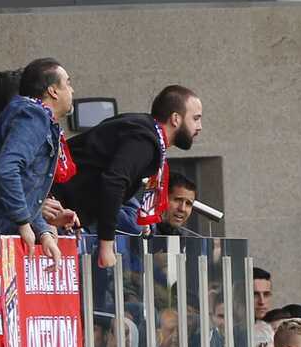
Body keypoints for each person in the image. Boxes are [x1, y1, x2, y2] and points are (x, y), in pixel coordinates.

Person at [0, 56, 77, 247]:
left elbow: (26, 191)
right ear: (53, 91)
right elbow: (6, 170)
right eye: (67, 83)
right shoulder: (34, 116)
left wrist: (43, 231)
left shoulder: (32, 115)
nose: (72, 90)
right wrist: (23, 223)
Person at [59, 83, 201, 236]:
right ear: (175, 119)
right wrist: (106, 241)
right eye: (196, 118)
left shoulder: (142, 129)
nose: (199, 126)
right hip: (54, 204)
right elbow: (114, 181)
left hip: (64, 210)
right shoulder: (144, 139)